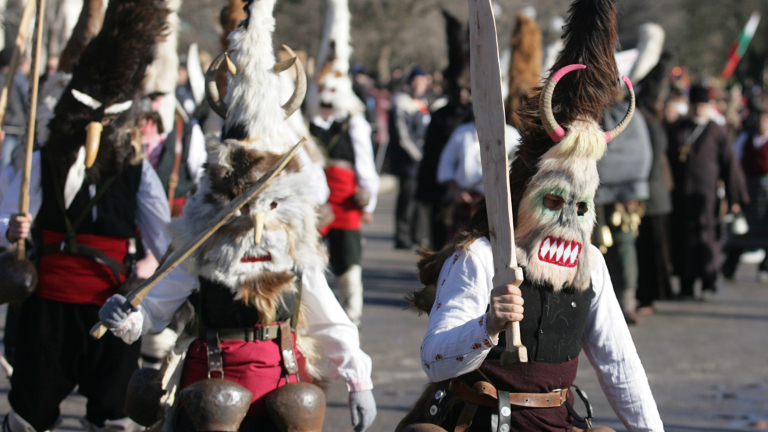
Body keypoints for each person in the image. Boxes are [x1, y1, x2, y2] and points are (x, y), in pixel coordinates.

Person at [99, 1, 376, 430]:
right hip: (208, 387)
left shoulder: (292, 241)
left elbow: (328, 317)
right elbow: (154, 307)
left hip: (278, 387)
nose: (254, 213)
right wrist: (126, 315)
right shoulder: (202, 238)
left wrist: (358, 381)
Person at [397, 0, 663, 430]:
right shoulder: (480, 258)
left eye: (581, 209)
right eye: (554, 203)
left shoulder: (589, 266)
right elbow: (435, 360)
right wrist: (488, 325)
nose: (567, 223)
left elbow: (621, 366)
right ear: (523, 198)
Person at [0, 0, 171, 430]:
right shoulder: (43, 160)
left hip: (110, 311)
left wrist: (144, 276)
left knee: (114, 415)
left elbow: (165, 244)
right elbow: (5, 223)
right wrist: (12, 230)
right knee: (29, 414)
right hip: (47, 310)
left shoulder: (137, 169)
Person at [310, 0, 379, 327]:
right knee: (308, 259)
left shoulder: (354, 123)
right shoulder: (308, 124)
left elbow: (366, 165)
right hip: (316, 200)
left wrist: (369, 199)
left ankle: (351, 316)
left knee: (349, 264)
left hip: (347, 199)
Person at [667, 83, 749, 298]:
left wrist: (734, 198)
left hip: (706, 198)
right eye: (695, 105)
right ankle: (686, 284)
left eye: (702, 105)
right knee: (683, 241)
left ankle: (708, 280)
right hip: (680, 196)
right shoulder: (678, 127)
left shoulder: (716, 130)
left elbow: (730, 165)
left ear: (709, 106)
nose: (698, 109)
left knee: (707, 238)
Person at [415, 9, 474, 252]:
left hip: (470, 194)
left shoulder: (475, 116)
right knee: (440, 246)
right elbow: (430, 155)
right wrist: (426, 190)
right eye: (456, 88)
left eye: (465, 89)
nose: (461, 94)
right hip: (441, 192)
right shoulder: (439, 115)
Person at [635, 52, 675, 313]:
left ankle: (649, 296)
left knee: (652, 248)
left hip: (653, 193)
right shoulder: (648, 120)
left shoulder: (648, 121)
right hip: (654, 192)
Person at [436, 121, 520, 238]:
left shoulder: (512, 134)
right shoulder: (462, 132)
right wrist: (455, 191)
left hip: (499, 203)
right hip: (466, 200)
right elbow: (446, 161)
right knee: (458, 247)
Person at [723, 102, 768, 281]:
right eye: (760, 120)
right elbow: (735, 163)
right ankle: (729, 266)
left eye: (766, 121)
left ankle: (765, 267)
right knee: (741, 232)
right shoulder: (745, 139)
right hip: (748, 189)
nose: (762, 124)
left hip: (767, 193)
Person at [390, 66, 430, 249]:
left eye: (421, 82)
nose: (418, 85)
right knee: (407, 199)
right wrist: (419, 156)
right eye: (416, 81)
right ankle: (402, 236)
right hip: (409, 162)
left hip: (423, 162)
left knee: (421, 200)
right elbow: (403, 136)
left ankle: (419, 235)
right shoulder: (401, 102)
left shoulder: (425, 103)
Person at [0, 49, 29, 171]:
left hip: (14, 130)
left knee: (8, 167)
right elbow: (30, 100)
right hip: (10, 130)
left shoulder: (17, 79)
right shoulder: (19, 79)